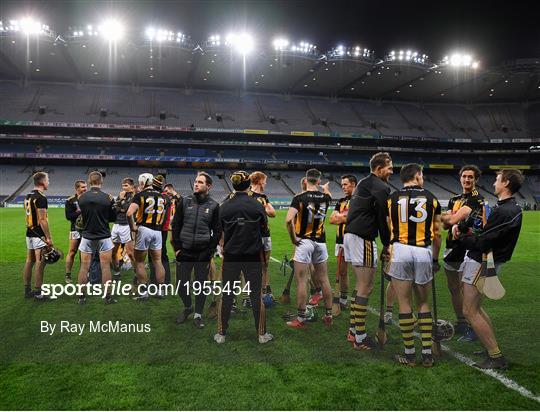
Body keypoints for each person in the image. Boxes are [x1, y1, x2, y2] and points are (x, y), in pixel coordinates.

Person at [458, 169, 524, 370]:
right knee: (475, 308)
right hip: (485, 260)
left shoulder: (506, 210)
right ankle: (490, 348)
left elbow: (483, 241)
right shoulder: (509, 207)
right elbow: (487, 234)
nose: (494, 183)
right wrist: (468, 230)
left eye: (497, 180)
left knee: (469, 310)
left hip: (484, 261)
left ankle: (496, 356)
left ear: (506, 183)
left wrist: (462, 237)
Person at [386, 163, 442, 367]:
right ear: (417, 175)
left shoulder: (391, 199)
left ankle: (410, 354)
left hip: (400, 249)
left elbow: (389, 229)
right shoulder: (432, 198)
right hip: (423, 251)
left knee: (404, 302)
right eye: (423, 174)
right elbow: (437, 235)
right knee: (423, 302)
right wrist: (435, 260)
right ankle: (427, 354)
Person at [215, 171, 272, 344]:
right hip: (252, 256)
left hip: (231, 256)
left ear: (233, 184)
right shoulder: (257, 205)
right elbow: (264, 231)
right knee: (256, 295)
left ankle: (221, 334)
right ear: (248, 184)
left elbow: (219, 232)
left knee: (227, 294)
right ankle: (261, 334)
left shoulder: (224, 206)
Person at [344, 152, 393, 349]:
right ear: (379, 168)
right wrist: (387, 243)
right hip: (362, 237)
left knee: (360, 286)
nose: (391, 171)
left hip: (352, 235)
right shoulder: (381, 187)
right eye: (389, 168)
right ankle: (360, 337)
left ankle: (354, 330)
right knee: (366, 286)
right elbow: (382, 218)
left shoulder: (365, 183)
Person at [441, 165, 485, 341]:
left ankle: (472, 325)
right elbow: (447, 225)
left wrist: (450, 221)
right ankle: (461, 322)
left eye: (471, 177)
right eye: (464, 176)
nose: (467, 180)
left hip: (467, 249)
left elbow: (451, 219)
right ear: (460, 178)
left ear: (476, 180)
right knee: (453, 288)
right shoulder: (454, 199)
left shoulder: (477, 199)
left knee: (466, 290)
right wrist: (451, 223)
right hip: (452, 248)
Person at [285, 168, 334, 328]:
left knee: (302, 281)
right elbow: (329, 196)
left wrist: (293, 239)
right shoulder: (326, 197)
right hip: (321, 242)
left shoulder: (298, 197)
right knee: (324, 279)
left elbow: (288, 220)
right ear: (318, 181)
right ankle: (328, 314)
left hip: (304, 242)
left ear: (305, 181)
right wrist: (325, 189)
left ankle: (300, 319)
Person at [172, 171, 221, 329]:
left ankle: (198, 314)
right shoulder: (185, 202)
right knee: (181, 285)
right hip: (185, 251)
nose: (196, 184)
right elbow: (176, 225)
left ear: (208, 186)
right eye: (196, 181)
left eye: (200, 182)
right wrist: (178, 249)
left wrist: (209, 252)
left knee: (201, 285)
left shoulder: (214, 205)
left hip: (202, 252)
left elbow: (217, 231)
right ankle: (188, 307)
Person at [76, 171, 117, 304]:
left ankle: (81, 297)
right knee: (105, 267)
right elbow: (113, 218)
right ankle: (107, 297)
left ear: (89, 181)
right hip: (104, 235)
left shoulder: (81, 198)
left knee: (84, 267)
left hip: (87, 235)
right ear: (101, 182)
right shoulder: (108, 198)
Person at [127, 173, 169, 300]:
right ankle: (161, 291)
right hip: (158, 231)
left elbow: (129, 213)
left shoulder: (140, 196)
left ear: (142, 182)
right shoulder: (164, 197)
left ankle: (144, 292)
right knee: (157, 261)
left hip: (144, 228)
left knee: (140, 261)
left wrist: (133, 227)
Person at [329, 174, 357, 309]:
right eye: (342, 185)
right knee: (342, 272)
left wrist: (341, 217)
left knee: (359, 271)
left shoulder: (359, 200)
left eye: (345, 184)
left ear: (353, 184)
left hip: (355, 240)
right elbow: (331, 219)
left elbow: (355, 218)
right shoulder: (341, 201)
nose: (343, 187)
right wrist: (345, 216)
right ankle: (344, 298)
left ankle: (359, 298)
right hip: (340, 240)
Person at [23, 172, 52, 300]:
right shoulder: (41, 197)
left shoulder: (28, 195)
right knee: (40, 262)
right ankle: (39, 293)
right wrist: (49, 238)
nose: (48, 182)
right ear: (42, 182)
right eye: (47, 180)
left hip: (29, 233)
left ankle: (27, 290)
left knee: (30, 261)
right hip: (39, 235)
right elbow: (42, 220)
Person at [249, 171, 276, 302]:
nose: (265, 183)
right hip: (251, 235)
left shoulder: (264, 197)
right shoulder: (246, 194)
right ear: (259, 181)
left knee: (265, 265)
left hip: (265, 234)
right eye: (265, 181)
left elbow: (272, 213)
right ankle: (248, 295)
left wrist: (261, 207)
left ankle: (264, 293)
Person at [148, 175, 173, 285]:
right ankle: (165, 280)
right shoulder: (166, 197)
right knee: (162, 255)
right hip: (163, 230)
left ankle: (155, 279)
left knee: (154, 255)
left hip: (156, 228)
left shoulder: (157, 197)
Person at [111, 178, 136, 280]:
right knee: (113, 251)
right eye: (123, 185)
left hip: (127, 225)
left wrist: (121, 202)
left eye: (126, 185)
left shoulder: (134, 197)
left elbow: (127, 209)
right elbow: (114, 209)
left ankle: (137, 272)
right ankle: (117, 271)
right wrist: (121, 205)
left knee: (130, 252)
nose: (124, 187)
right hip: (116, 224)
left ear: (132, 186)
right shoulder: (121, 195)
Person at [64, 179, 87, 284]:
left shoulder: (89, 198)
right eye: (83, 187)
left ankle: (85, 273)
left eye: (86, 186)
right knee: (72, 252)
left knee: (85, 253)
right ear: (77, 188)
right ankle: (68, 274)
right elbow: (68, 216)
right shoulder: (70, 200)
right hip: (75, 229)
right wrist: (79, 212)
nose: (85, 188)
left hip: (87, 229)